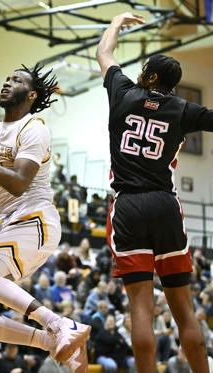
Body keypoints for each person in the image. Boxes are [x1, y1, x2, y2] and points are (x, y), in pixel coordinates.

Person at [0, 63, 90, 371]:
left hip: (36, 219)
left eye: (16, 80)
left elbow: (19, 182)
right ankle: (52, 342)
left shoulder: (34, 128)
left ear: (31, 94)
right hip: (14, 224)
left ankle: (57, 322)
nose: (7, 82)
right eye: (6, 77)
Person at [96, 11, 211, 373]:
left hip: (128, 206)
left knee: (140, 309)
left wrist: (115, 24)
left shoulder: (123, 92)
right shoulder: (182, 109)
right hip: (164, 205)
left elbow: (104, 54)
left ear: (147, 75)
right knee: (184, 311)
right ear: (173, 86)